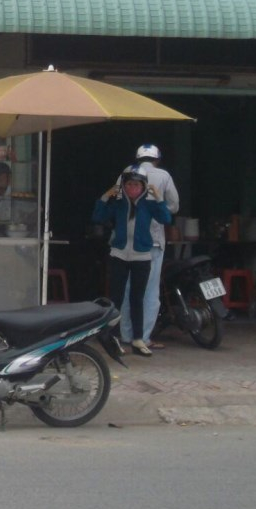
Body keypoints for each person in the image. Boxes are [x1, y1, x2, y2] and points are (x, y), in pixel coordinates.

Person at [92, 166, 173, 356]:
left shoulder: (149, 205)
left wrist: (159, 198)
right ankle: (112, 338)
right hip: (119, 255)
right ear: (123, 186)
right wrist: (105, 196)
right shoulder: (119, 204)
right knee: (116, 299)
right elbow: (98, 217)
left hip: (142, 257)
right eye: (128, 184)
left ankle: (138, 339)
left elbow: (166, 218)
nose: (132, 188)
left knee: (137, 299)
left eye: (136, 185)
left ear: (144, 186)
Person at [131, 143, 180, 349]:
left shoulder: (127, 174)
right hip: (153, 240)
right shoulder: (163, 176)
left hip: (128, 240)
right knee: (150, 291)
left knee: (129, 289)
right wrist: (158, 209)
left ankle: (126, 334)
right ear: (157, 159)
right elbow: (174, 206)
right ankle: (143, 338)